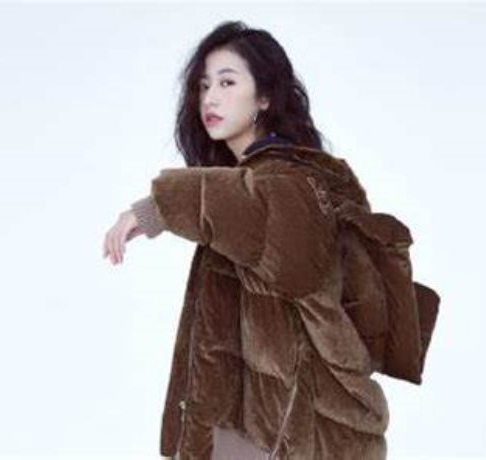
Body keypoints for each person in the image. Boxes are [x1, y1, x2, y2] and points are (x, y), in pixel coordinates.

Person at [103, 21, 392, 459]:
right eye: (203, 86)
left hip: (296, 429)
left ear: (265, 97)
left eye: (227, 82)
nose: (210, 98)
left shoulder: (290, 182)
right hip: (247, 424)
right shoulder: (245, 186)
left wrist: (156, 208)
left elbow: (252, 205)